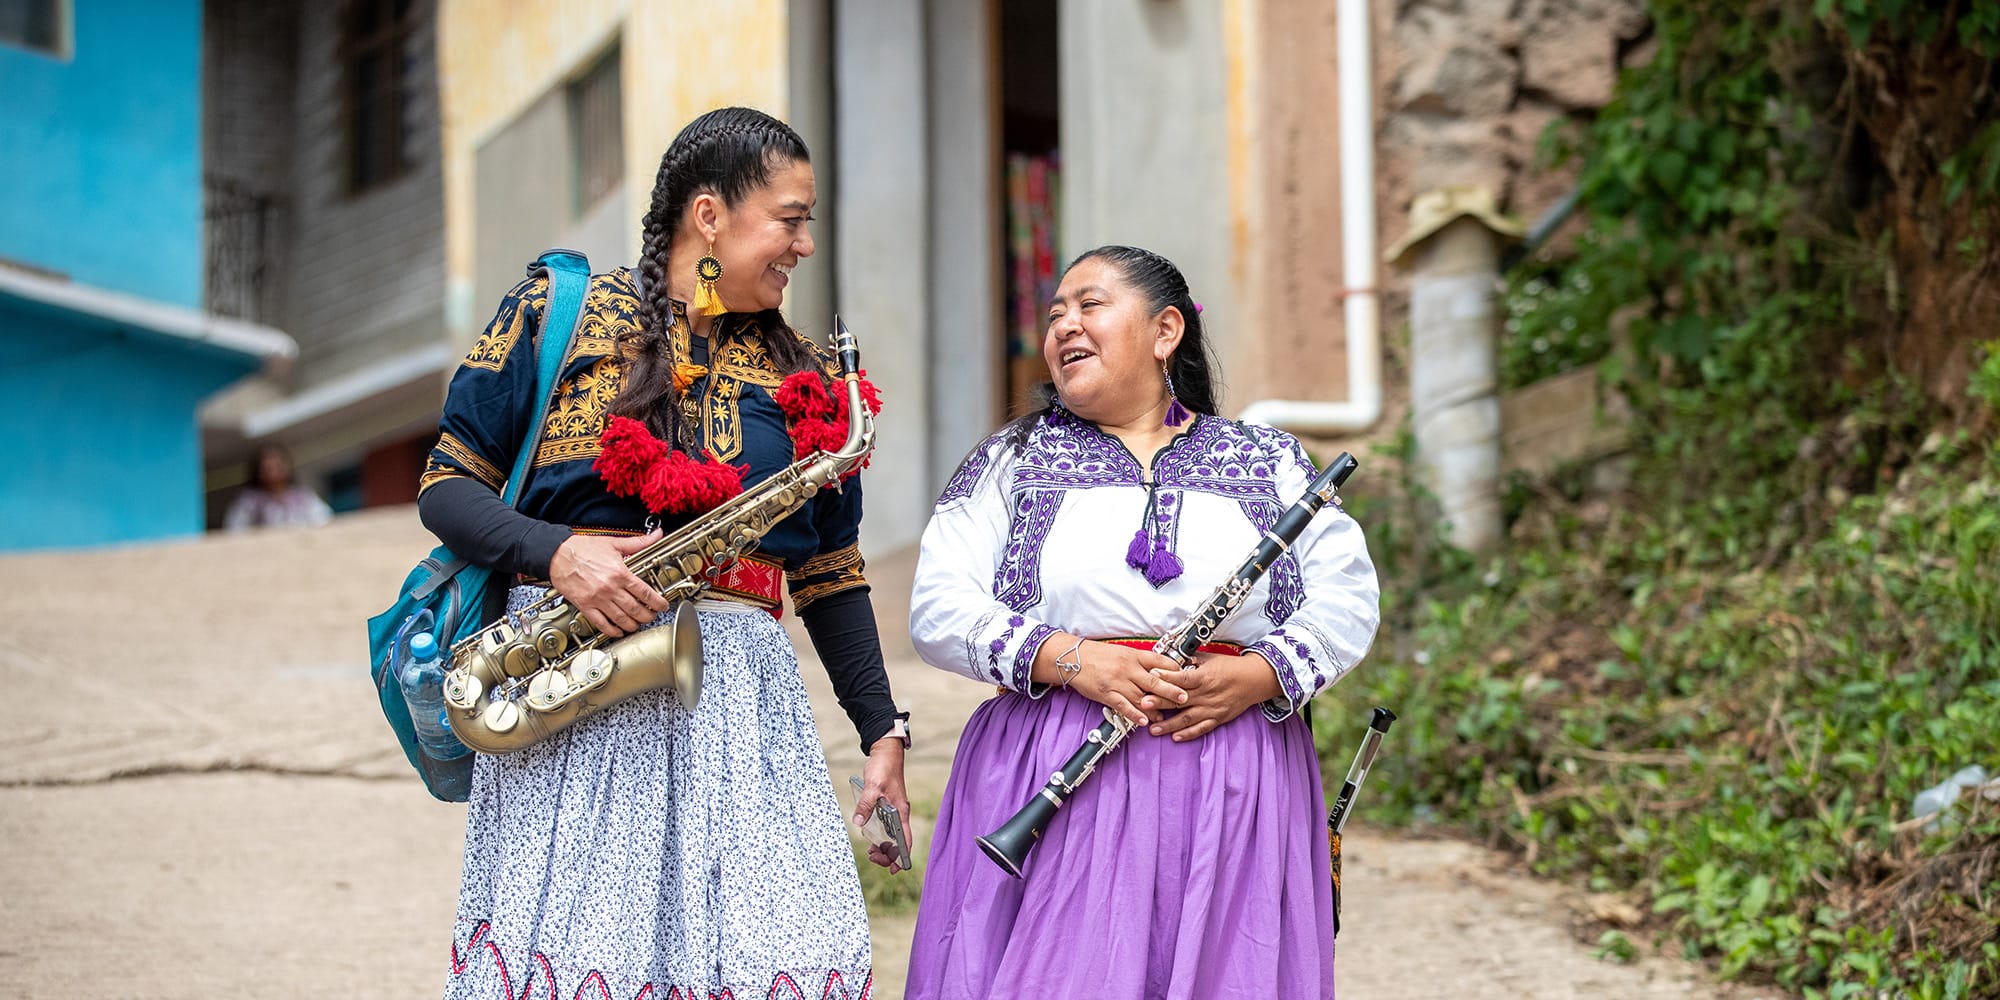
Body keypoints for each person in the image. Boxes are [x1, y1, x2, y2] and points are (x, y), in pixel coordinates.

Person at [416, 106, 911, 1000]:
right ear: (710, 215)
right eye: (790, 218)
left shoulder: (811, 376)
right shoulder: (555, 313)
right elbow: (446, 486)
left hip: (745, 709)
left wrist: (884, 731)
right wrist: (557, 552)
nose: (805, 244)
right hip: (577, 681)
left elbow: (832, 575)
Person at [904, 246, 1380, 998]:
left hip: (1235, 768)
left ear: (1165, 331)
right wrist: (1070, 659)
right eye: (1055, 312)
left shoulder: (1268, 459)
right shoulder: (1012, 459)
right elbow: (937, 605)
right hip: (1059, 756)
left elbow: (1348, 595)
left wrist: (1259, 674)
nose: (1064, 325)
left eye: (1089, 305)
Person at [223, 443, 332, 531]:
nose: (273, 473)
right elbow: (235, 529)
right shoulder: (249, 502)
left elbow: (324, 519)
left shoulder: (302, 497)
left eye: (277, 467)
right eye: (268, 468)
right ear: (258, 471)